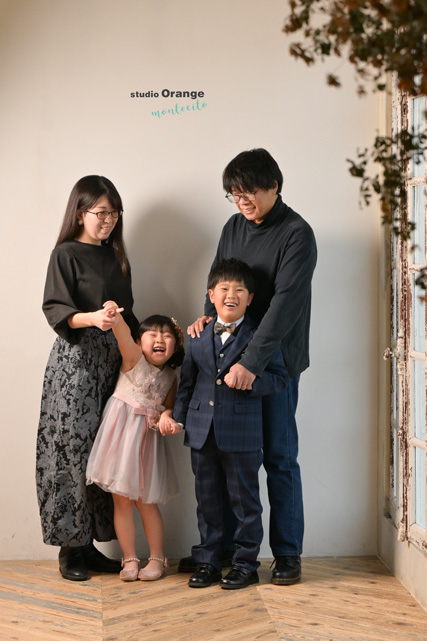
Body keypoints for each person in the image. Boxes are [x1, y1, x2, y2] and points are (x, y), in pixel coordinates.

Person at [181, 149, 317, 585]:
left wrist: (252, 363)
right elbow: (218, 279)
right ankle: (225, 552)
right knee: (224, 458)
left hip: (273, 365)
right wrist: (208, 320)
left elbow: (285, 305)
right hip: (226, 361)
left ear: (274, 186)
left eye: (249, 192)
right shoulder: (233, 226)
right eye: (234, 194)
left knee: (278, 458)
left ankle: (287, 554)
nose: (242, 201)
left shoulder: (297, 234)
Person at [36, 175, 140, 582]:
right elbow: (55, 309)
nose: (109, 220)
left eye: (114, 213)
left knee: (104, 453)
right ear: (80, 212)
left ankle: (91, 545)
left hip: (111, 363)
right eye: (101, 212)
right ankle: (70, 549)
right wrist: (93, 318)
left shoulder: (117, 258)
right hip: (75, 365)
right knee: (70, 452)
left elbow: (129, 314)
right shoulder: (64, 254)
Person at [166, 259, 288, 590]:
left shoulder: (260, 337)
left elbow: (280, 379)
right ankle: (208, 561)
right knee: (207, 502)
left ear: (250, 298)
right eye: (224, 289)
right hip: (201, 432)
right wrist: (179, 418)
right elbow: (187, 383)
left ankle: (245, 564)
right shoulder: (198, 335)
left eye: (239, 290)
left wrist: (251, 381)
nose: (231, 295)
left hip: (243, 434)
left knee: (245, 503)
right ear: (211, 295)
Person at [86, 307, 184, 582]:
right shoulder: (133, 359)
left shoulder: (171, 377)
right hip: (119, 441)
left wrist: (168, 418)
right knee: (122, 503)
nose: (159, 339)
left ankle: (157, 557)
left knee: (147, 502)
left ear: (175, 347)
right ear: (140, 343)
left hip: (146, 445)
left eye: (166, 336)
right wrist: (113, 315)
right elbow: (122, 333)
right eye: (152, 334)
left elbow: (168, 407)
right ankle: (129, 558)